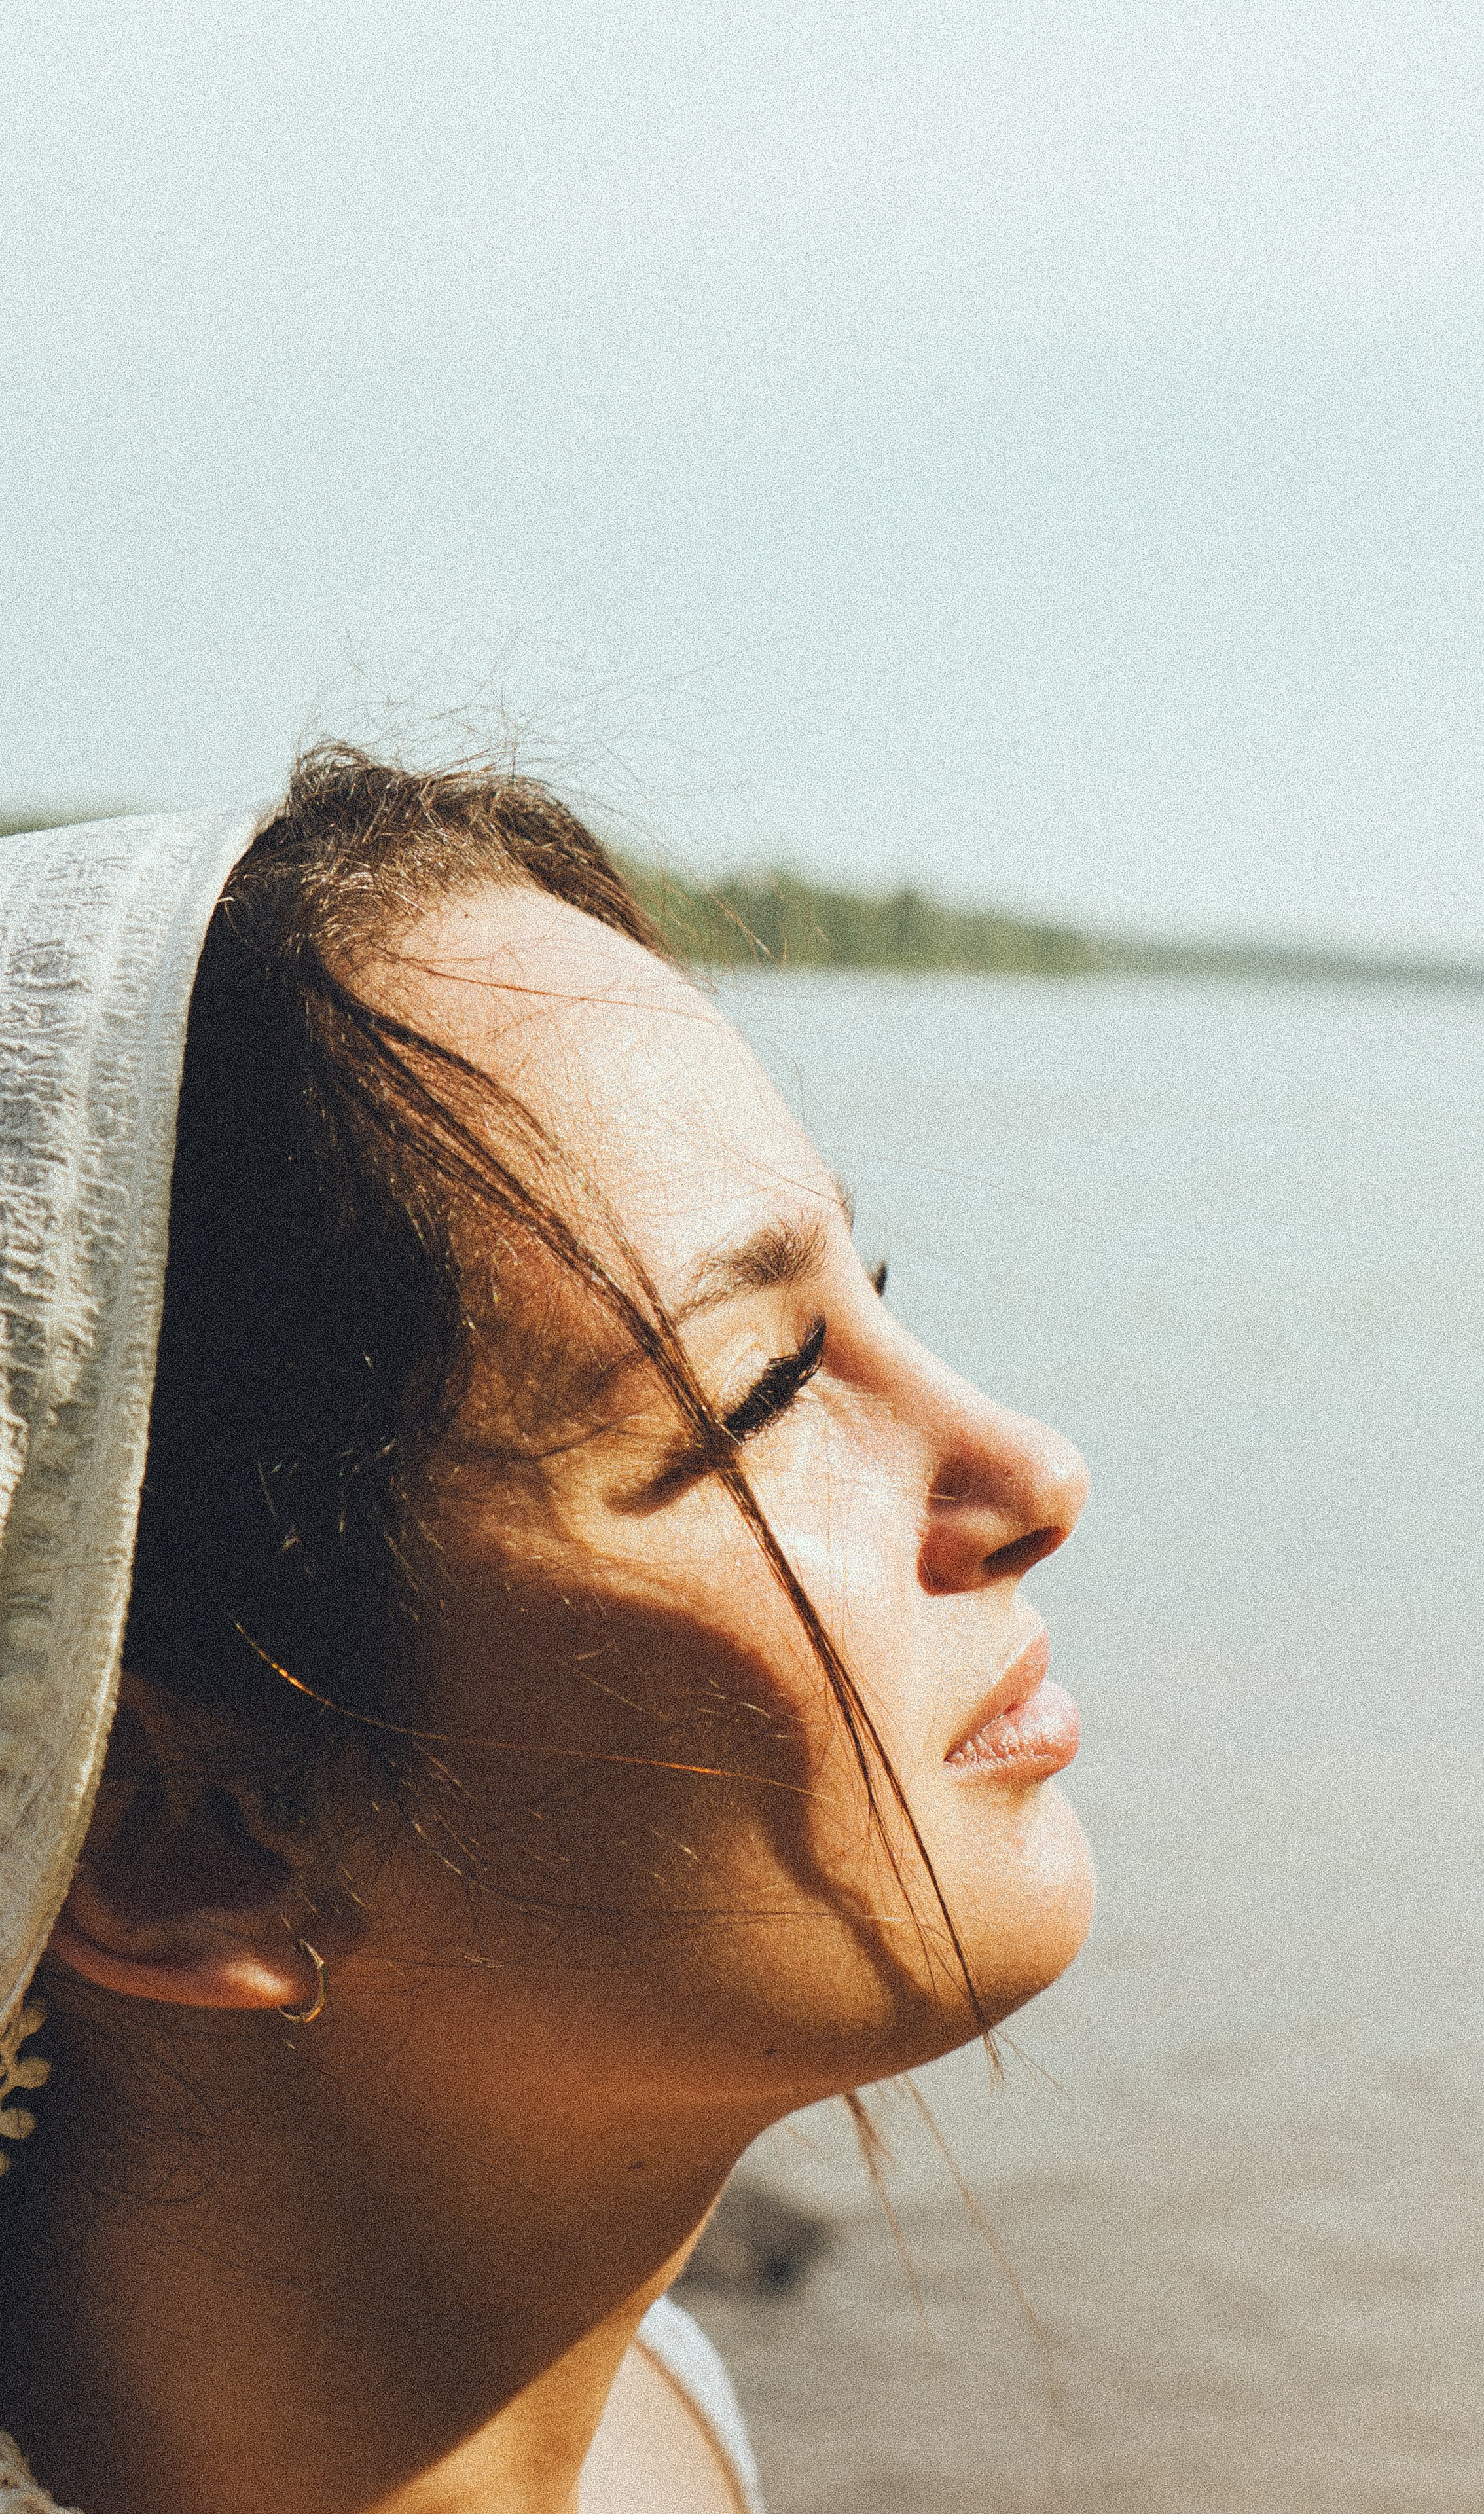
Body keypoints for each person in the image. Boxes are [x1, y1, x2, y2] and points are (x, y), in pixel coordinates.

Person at [0, 750, 1094, 2514]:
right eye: (761, 1393)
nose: (1037, 1471)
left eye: (868, 1299)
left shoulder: (657, 2413)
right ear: (187, 1832)